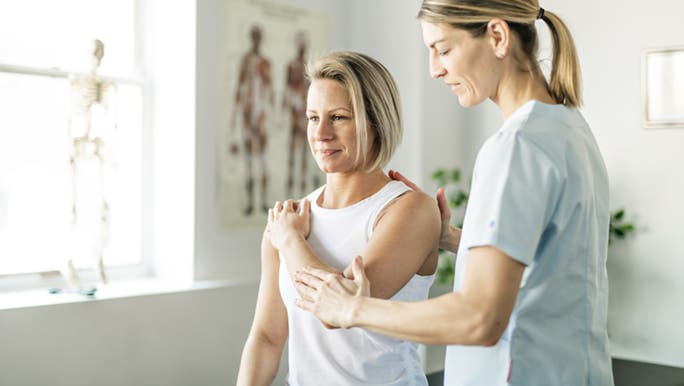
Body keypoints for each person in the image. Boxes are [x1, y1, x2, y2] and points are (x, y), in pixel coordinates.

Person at [292, 1, 614, 385]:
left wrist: (353, 308)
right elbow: (551, 261)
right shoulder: (568, 128)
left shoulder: (516, 147)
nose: (435, 69)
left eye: (443, 49)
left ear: (497, 36)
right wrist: (456, 239)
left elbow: (479, 318)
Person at [237, 51, 441, 386]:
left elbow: (341, 304)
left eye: (339, 117)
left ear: (376, 122)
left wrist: (290, 241)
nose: (321, 134)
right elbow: (267, 337)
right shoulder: (290, 218)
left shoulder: (410, 209)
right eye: (313, 117)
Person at [231, 25, 274, 216]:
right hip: (248, 115)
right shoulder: (246, 61)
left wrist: (269, 115)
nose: (256, 40)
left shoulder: (265, 62)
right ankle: (250, 201)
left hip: (261, 115)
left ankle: (264, 201)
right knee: (249, 160)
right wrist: (236, 115)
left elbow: (269, 90)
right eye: (254, 37)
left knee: (263, 160)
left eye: (259, 36)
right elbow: (239, 88)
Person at [282, 31, 320, 197]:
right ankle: (290, 190)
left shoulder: (310, 67)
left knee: (305, 152)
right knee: (292, 151)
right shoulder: (292, 66)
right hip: (295, 112)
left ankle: (303, 192)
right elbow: (287, 89)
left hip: (305, 114)